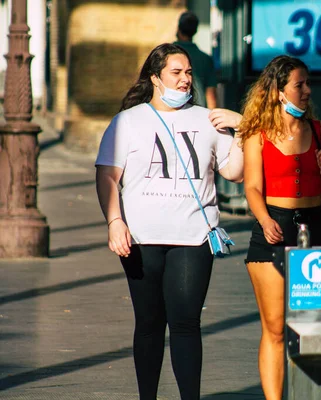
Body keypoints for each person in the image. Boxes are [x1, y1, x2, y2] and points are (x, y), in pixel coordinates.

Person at [94, 43, 243, 400]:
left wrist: (243, 128)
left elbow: (235, 173)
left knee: (186, 323)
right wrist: (115, 221)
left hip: (193, 236)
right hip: (141, 237)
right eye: (176, 73)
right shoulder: (128, 121)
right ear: (155, 78)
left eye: (188, 73)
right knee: (148, 324)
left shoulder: (207, 120)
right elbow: (108, 175)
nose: (184, 80)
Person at [237, 55, 321, 400]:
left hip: (315, 227)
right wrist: (264, 219)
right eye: (300, 85)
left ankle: (312, 394)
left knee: (316, 327)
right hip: (275, 227)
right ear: (280, 91)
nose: (307, 91)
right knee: (275, 328)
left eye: (308, 83)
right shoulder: (257, 134)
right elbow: (252, 187)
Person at [174, 11, 218, 109]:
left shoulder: (166, 55)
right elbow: (211, 96)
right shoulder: (205, 59)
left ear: (178, 29)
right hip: (198, 113)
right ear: (195, 31)